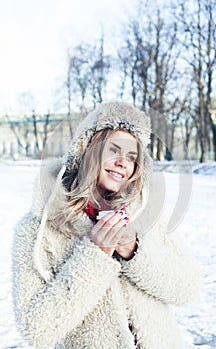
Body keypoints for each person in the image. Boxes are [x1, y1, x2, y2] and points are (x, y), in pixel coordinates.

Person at [12, 102, 201, 349]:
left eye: (132, 157)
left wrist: (134, 252)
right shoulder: (37, 229)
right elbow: (36, 330)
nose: (123, 162)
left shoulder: (146, 215)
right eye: (113, 150)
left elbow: (189, 288)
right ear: (87, 150)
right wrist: (96, 255)